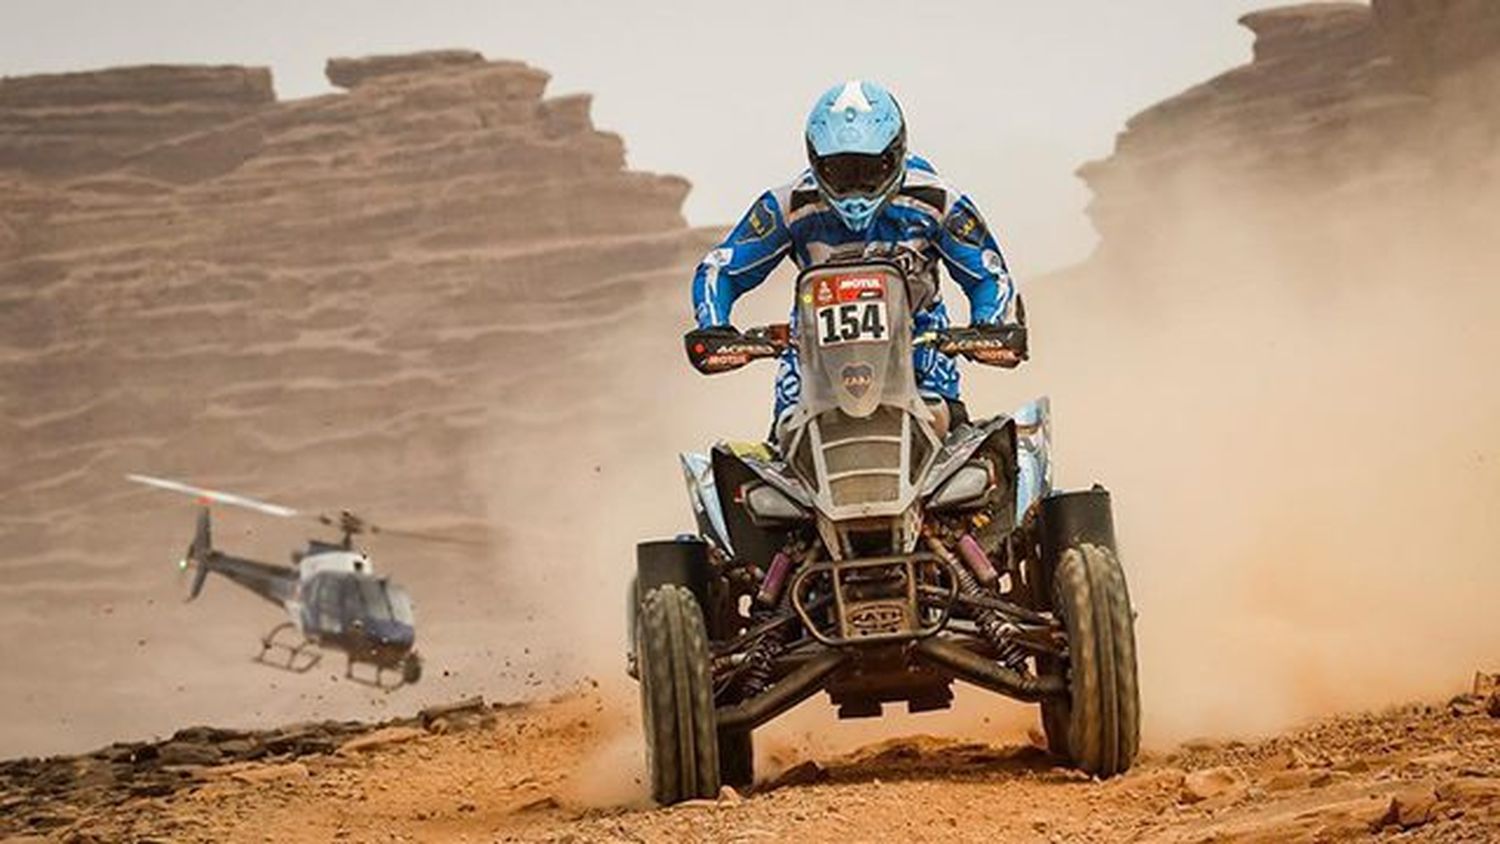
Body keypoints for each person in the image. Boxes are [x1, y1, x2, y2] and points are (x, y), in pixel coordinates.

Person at [686, 79, 1024, 439]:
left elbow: (988, 273)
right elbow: (720, 268)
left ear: (896, 154)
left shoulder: (938, 201)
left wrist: (988, 323)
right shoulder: (788, 205)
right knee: (757, 473)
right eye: (840, 172)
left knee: (973, 456)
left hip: (922, 355)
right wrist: (715, 325)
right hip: (811, 370)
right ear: (815, 162)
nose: (856, 188)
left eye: (870, 170)